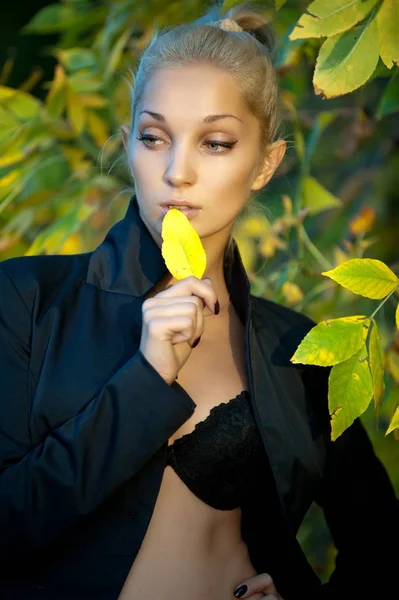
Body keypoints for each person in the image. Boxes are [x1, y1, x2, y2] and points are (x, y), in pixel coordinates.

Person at [0, 1, 398, 599]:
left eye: (214, 142)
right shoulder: (26, 300)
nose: (176, 172)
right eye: (154, 137)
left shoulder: (298, 349)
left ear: (266, 164)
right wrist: (146, 376)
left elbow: (384, 546)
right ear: (128, 145)